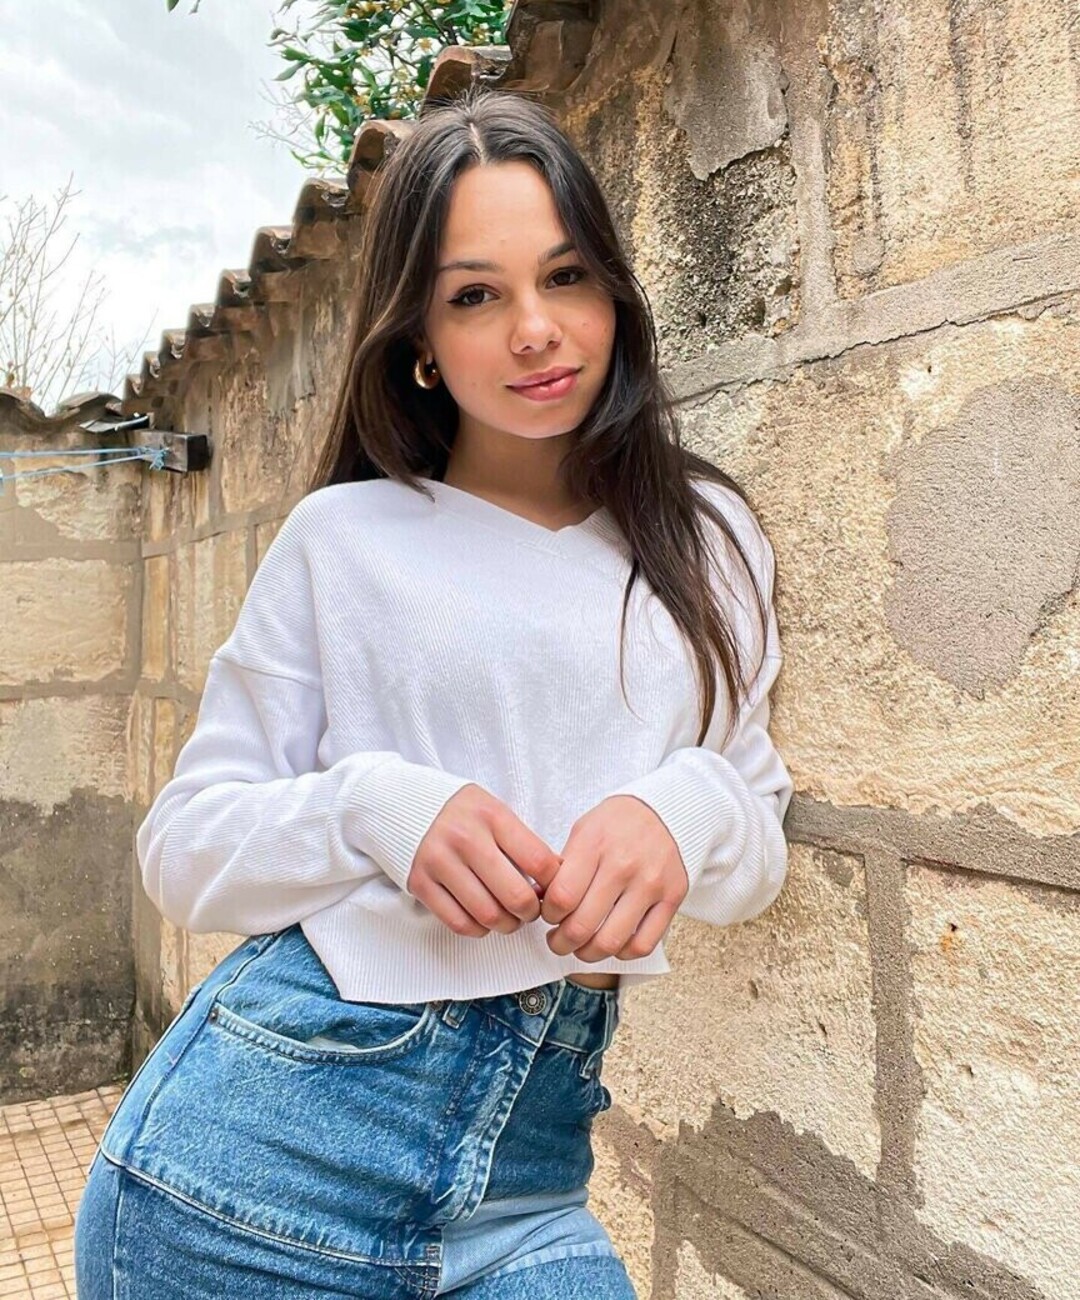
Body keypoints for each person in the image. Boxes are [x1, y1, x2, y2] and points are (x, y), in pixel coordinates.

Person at [73, 86, 793, 1298]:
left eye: (565, 277)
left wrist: (684, 808)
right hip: (259, 1169)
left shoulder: (708, 535)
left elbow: (755, 826)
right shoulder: (344, 539)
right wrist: (374, 807)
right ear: (418, 337)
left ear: (614, 292)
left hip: (532, 1174)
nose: (535, 330)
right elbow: (183, 850)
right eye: (475, 296)